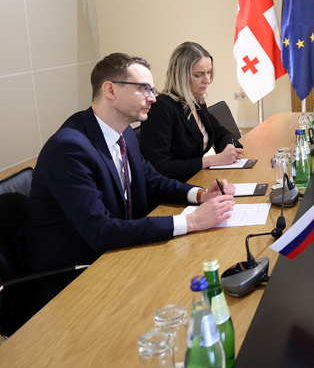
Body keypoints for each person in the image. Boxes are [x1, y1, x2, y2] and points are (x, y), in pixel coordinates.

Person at [24, 53, 236, 312]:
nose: (153, 98)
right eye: (144, 89)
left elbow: (152, 180)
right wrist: (191, 222)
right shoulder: (69, 149)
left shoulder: (123, 131)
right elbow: (101, 232)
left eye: (153, 90)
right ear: (110, 90)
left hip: (119, 255)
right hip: (76, 278)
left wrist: (201, 195)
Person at [140, 42, 243, 182]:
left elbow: (221, 133)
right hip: (176, 186)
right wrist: (212, 160)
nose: (207, 80)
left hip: (197, 178)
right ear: (177, 73)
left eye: (209, 72)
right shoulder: (161, 107)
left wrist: (229, 147)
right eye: (198, 75)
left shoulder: (196, 100)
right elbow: (160, 167)